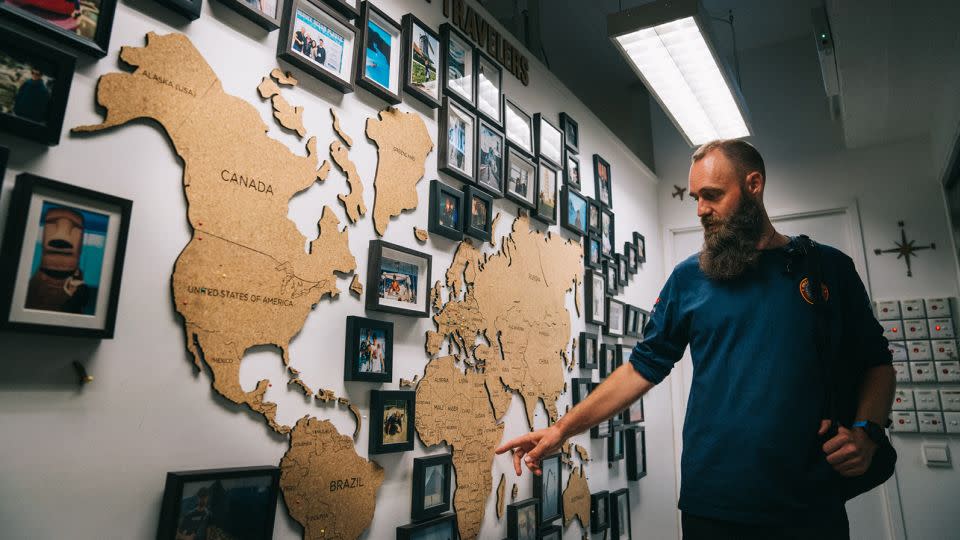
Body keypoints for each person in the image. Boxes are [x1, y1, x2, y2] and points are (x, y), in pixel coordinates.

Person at [496, 139, 896, 539]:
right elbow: (642, 368)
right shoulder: (690, 279)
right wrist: (561, 430)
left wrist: (867, 432)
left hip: (810, 500)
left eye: (713, 195)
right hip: (715, 502)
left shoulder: (829, 269)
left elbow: (877, 362)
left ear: (753, 184)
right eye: (696, 198)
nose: (702, 209)